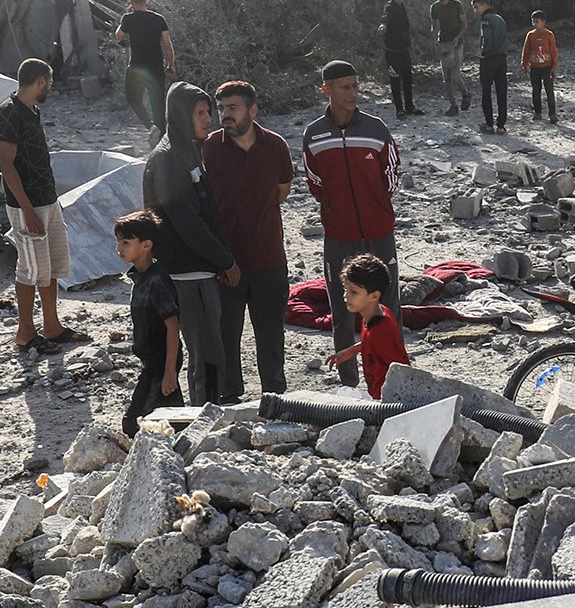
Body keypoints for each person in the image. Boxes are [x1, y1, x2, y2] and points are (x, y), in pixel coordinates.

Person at [301, 60, 400, 373]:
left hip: (379, 232)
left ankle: (393, 373)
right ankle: (347, 384)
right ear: (326, 90)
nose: (353, 92)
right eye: (345, 87)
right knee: (342, 310)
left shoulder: (376, 129)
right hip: (338, 236)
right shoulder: (314, 135)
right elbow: (314, 182)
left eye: (356, 85)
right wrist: (335, 208)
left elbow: (392, 176)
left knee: (388, 304)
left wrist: (377, 206)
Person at [201, 79, 294, 401]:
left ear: (253, 111)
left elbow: (281, 192)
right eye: (222, 108)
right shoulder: (210, 148)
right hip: (226, 262)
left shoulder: (276, 146)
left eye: (233, 108)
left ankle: (275, 394)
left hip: (269, 258)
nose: (225, 115)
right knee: (227, 335)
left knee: (270, 335)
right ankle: (230, 395)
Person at [145, 83, 236, 403]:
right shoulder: (169, 159)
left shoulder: (187, 151)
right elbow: (186, 223)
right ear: (183, 116)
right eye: (200, 113)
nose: (209, 119)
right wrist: (225, 260)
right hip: (186, 275)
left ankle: (205, 412)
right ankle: (204, 420)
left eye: (208, 111)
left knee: (209, 354)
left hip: (200, 270)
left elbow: (206, 211)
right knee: (206, 357)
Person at [0, 58, 82, 356]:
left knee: (51, 266)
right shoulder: (9, 113)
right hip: (27, 204)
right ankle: (25, 332)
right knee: (30, 269)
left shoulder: (32, 111)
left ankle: (52, 326)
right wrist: (27, 209)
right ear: (41, 81)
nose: (51, 87)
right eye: (50, 82)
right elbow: (6, 164)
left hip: (47, 198)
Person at [115, 210, 183, 435]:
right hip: (152, 363)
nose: (119, 248)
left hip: (160, 364)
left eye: (126, 242)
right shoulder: (140, 278)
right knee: (172, 417)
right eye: (119, 242)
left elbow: (172, 327)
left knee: (135, 423)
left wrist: (169, 371)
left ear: (146, 245)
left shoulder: (157, 281)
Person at [327, 252, 411, 398]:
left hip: (388, 401)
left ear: (374, 296)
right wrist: (351, 351)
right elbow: (371, 340)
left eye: (353, 292)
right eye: (345, 289)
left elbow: (402, 371)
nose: (346, 296)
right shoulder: (377, 314)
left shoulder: (381, 332)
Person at [118, 0, 176, 144]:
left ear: (131, 2)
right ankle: (162, 141)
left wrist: (126, 17)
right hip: (156, 67)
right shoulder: (158, 19)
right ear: (147, 0)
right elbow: (167, 44)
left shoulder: (128, 19)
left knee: (133, 99)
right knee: (157, 103)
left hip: (136, 67)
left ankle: (151, 127)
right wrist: (171, 65)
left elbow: (119, 36)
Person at [428, 0, 469, 116]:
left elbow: (464, 24)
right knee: (446, 79)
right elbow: (434, 27)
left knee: (455, 75)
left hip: (457, 44)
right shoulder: (434, 7)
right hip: (444, 44)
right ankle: (453, 106)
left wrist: (458, 37)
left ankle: (465, 94)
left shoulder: (456, 5)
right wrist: (434, 41)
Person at [473, 0, 513, 132]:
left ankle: (489, 124)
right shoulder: (500, 19)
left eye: (477, 7)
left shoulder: (486, 20)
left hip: (489, 60)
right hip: (502, 59)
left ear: (484, 5)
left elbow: (486, 39)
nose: (476, 11)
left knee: (486, 91)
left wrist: (482, 52)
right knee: (502, 92)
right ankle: (501, 125)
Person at [380, 0, 418, 119]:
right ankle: (399, 109)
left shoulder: (402, 8)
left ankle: (409, 106)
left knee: (408, 78)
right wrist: (383, 25)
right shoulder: (390, 7)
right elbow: (386, 17)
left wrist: (409, 45)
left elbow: (405, 29)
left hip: (403, 49)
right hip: (392, 50)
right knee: (395, 79)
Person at [521, 11, 560, 122]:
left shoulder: (549, 35)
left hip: (547, 67)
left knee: (549, 91)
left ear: (543, 22)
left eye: (537, 21)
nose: (534, 24)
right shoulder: (531, 35)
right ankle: (538, 112)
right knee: (536, 91)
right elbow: (526, 50)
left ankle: (552, 114)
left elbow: (553, 52)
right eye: (533, 21)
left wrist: (554, 67)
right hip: (535, 67)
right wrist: (524, 64)